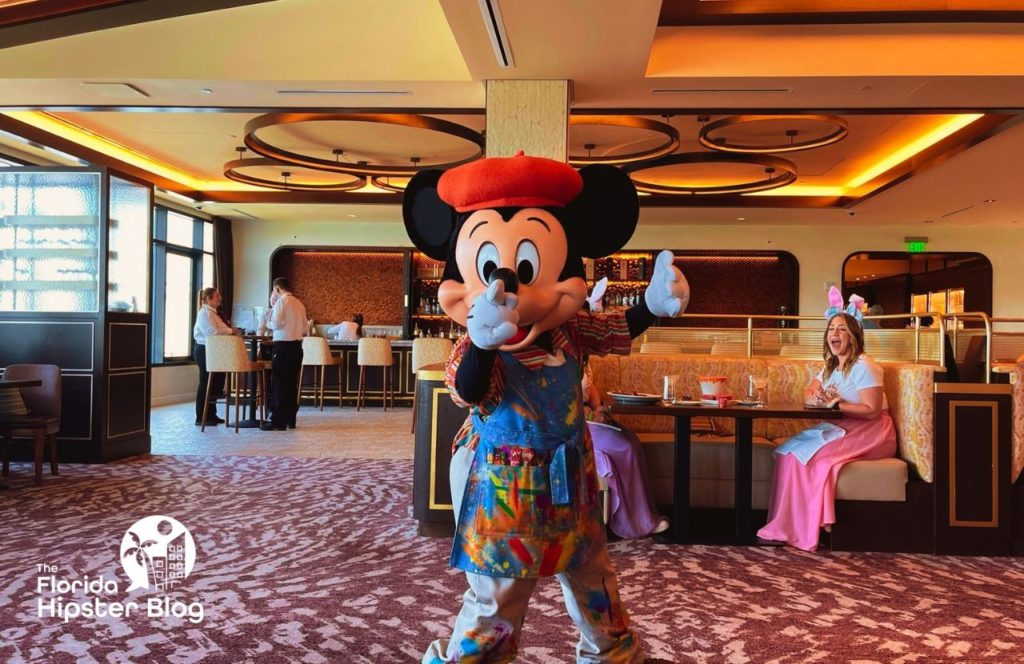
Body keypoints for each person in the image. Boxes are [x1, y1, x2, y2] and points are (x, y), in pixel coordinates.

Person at [404, 153, 690, 663]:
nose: (511, 288)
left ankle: (612, 656)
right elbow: (468, 390)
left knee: (593, 577)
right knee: (499, 594)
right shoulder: (469, 350)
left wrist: (651, 306)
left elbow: (614, 330)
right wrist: (485, 340)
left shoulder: (569, 330)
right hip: (498, 485)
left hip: (570, 475)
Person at [756, 311, 897, 551]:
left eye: (841, 329)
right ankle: (787, 525)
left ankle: (809, 526)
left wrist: (835, 403)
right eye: (831, 329)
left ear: (853, 336)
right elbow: (808, 393)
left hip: (872, 431)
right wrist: (819, 397)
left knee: (811, 459)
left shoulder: (864, 365)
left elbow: (872, 410)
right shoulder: (831, 367)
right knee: (788, 453)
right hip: (843, 425)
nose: (835, 333)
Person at [582, 359, 669, 539]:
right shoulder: (558, 361)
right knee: (624, 446)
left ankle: (642, 517)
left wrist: (598, 410)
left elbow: (590, 391)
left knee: (631, 439)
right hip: (575, 427)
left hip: (591, 423)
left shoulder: (582, 359)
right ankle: (630, 521)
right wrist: (588, 415)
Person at [261, 277, 308, 431]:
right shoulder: (299, 303)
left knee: (279, 383)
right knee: (290, 384)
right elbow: (304, 329)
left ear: (277, 289)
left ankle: (277, 421)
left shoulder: (282, 302)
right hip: (296, 347)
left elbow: (275, 324)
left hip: (282, 347)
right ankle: (290, 419)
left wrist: (267, 319)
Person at [192, 287, 232, 426]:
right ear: (209, 299)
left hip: (214, 350)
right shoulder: (204, 314)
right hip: (204, 350)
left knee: (215, 383)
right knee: (206, 382)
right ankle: (201, 417)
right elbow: (212, 332)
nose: (220, 298)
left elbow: (219, 330)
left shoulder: (214, 314)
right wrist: (230, 330)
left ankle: (211, 414)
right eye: (217, 296)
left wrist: (227, 330)